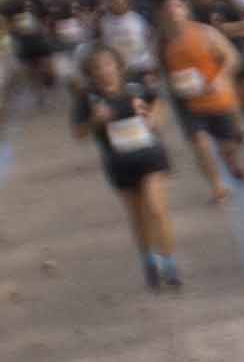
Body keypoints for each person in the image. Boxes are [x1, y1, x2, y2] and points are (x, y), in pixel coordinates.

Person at [73, 43, 184, 292]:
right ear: (90, 72)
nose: (104, 71)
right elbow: (78, 133)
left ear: (118, 65)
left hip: (150, 155)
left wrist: (154, 118)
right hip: (119, 162)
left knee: (156, 208)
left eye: (108, 64)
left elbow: (158, 102)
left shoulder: (136, 84)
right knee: (137, 215)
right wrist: (94, 121)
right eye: (97, 68)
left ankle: (169, 262)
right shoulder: (88, 97)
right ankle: (149, 260)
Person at [155, 0, 244, 200]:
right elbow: (161, 72)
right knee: (200, 143)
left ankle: (232, 163)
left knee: (228, 145)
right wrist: (173, 84)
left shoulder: (205, 33)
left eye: (177, 6)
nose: (173, 11)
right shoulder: (162, 43)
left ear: (186, 10)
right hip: (187, 102)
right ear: (163, 16)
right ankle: (217, 186)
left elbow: (232, 57)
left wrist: (219, 78)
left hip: (216, 96)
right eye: (168, 8)